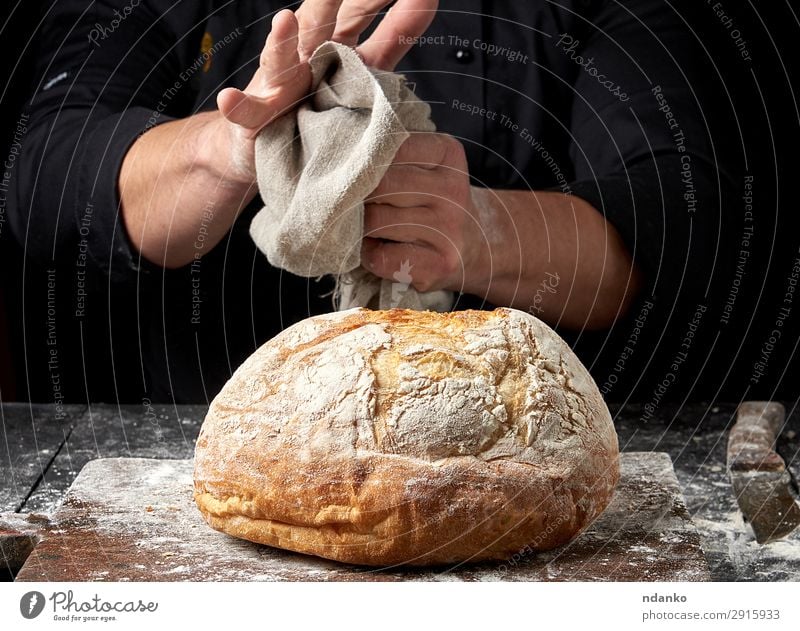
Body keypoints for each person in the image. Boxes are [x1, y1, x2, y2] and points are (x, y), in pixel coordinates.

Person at [9, 0, 745, 404]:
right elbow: (46, 173)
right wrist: (237, 149)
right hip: (185, 458)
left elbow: (683, 214)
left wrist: (476, 227)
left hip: (508, 465)